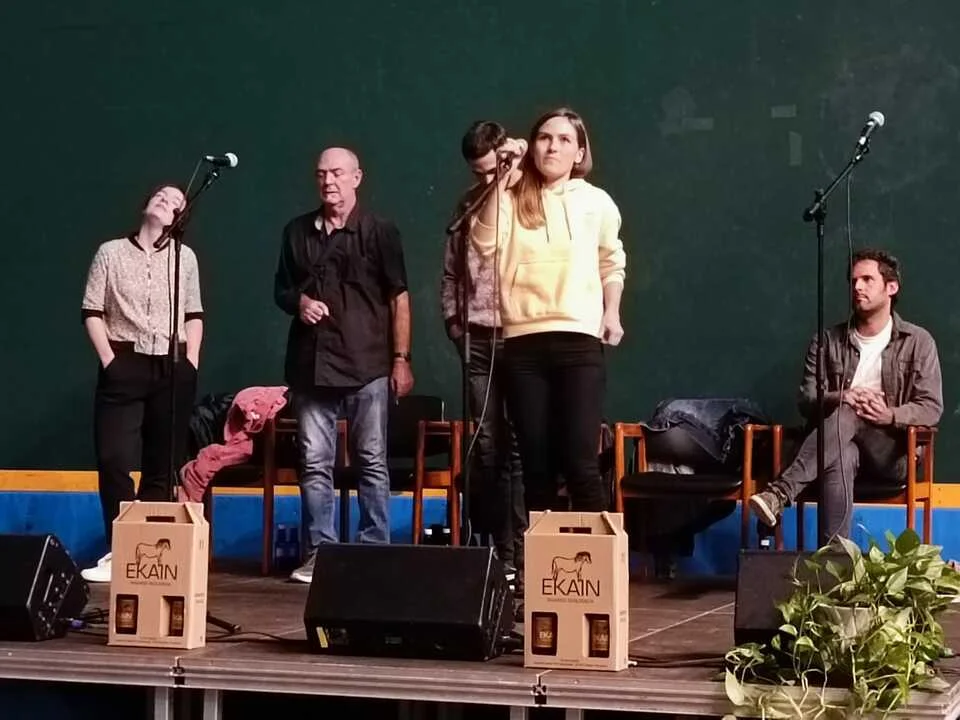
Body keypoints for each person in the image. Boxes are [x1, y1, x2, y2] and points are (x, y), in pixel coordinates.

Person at [469, 107, 627, 518]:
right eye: (543, 138)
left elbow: (612, 262)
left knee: (580, 463)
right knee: (535, 468)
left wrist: (612, 312)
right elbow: (483, 244)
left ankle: (592, 556)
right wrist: (502, 179)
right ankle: (541, 558)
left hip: (579, 342)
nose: (552, 146)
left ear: (579, 153)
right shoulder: (511, 193)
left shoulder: (596, 202)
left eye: (563, 139)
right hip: (523, 344)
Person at [275, 146, 413, 584]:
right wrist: (300, 303)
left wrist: (401, 359)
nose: (328, 181)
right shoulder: (296, 231)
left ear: (357, 177)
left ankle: (374, 550)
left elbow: (399, 298)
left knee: (371, 460)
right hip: (311, 367)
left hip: (368, 363)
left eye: (337, 173)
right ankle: (320, 553)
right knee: (314, 463)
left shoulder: (380, 231)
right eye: (321, 174)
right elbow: (281, 290)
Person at [749, 248, 943, 546]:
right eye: (853, 281)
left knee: (849, 413)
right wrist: (843, 396)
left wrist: (888, 415)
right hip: (834, 446)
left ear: (891, 287)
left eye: (867, 279)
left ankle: (780, 493)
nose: (857, 287)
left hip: (891, 454)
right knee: (844, 442)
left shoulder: (918, 341)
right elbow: (807, 401)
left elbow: (931, 407)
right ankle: (837, 561)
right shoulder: (826, 341)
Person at [79, 184, 204, 583]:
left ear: (180, 218)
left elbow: (194, 314)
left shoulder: (184, 258)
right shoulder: (111, 252)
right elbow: (92, 310)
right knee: (114, 459)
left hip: (172, 364)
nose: (165, 201)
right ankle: (120, 549)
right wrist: (109, 360)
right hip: (124, 362)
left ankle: (147, 553)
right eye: (160, 195)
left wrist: (191, 360)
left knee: (161, 465)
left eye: (174, 201)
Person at [440, 120, 526, 588]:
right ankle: (498, 551)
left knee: (519, 448)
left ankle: (523, 554)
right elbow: (451, 271)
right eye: (478, 172)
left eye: (493, 169)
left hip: (520, 336)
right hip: (475, 338)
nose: (487, 178)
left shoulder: (529, 194)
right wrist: (454, 324)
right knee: (488, 447)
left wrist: (517, 157)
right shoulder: (468, 204)